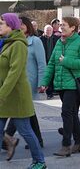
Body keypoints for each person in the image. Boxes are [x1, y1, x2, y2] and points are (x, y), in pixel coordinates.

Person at [0, 13, 47, 169]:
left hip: (16, 95)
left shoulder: (19, 45)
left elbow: (15, 72)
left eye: (1, 23)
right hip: (5, 95)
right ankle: (10, 142)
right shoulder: (6, 42)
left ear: (11, 26)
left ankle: (39, 161)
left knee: (26, 130)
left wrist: (1, 94)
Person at [39, 17, 80, 156]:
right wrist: (44, 82)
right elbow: (51, 64)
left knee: (66, 112)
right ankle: (79, 143)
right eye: (60, 25)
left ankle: (66, 145)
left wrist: (66, 61)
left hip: (74, 84)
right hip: (60, 84)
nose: (61, 27)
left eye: (64, 25)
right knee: (72, 113)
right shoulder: (59, 43)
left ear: (73, 27)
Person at [40, 25, 60, 99]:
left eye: (50, 30)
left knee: (52, 76)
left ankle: (50, 92)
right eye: (47, 30)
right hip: (44, 60)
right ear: (44, 31)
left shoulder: (56, 39)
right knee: (46, 76)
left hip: (53, 60)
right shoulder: (40, 39)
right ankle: (46, 90)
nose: (48, 32)